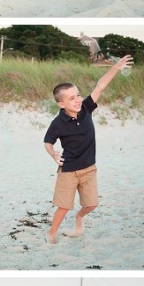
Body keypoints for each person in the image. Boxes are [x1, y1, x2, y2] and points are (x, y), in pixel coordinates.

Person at [43, 55, 133, 243]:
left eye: (78, 95)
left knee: (92, 204)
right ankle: (51, 233)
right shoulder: (58, 123)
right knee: (64, 206)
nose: (77, 100)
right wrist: (53, 154)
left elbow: (100, 86)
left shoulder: (86, 108)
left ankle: (79, 219)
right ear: (61, 104)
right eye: (71, 98)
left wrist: (116, 67)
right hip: (68, 170)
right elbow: (48, 141)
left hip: (89, 168)